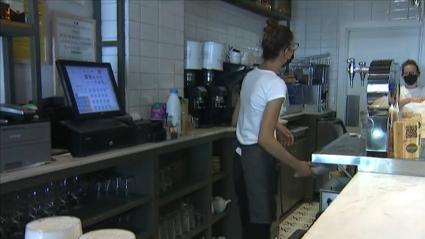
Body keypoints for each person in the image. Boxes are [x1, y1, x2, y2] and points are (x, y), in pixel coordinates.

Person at [231, 19, 313, 239]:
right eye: (292, 48)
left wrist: (275, 123)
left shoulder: (250, 76)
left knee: (248, 227)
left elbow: (237, 118)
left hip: (240, 162)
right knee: (259, 232)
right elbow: (265, 139)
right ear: (286, 52)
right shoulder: (276, 84)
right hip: (257, 163)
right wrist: (298, 165)